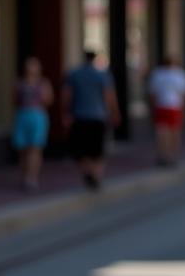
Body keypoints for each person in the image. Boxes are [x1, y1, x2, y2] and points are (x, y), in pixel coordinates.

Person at [61, 49, 120, 190]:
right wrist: (115, 112)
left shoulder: (74, 74)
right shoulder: (102, 75)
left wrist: (66, 113)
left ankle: (88, 172)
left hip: (80, 116)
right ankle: (96, 174)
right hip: (97, 116)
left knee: (83, 148)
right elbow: (109, 95)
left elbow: (66, 96)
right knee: (97, 149)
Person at [12, 56, 54, 191]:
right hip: (23, 116)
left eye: (34, 65)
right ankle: (25, 175)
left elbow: (49, 100)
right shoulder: (19, 83)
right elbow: (14, 100)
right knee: (23, 149)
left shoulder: (43, 83)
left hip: (37, 116)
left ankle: (32, 177)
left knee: (35, 148)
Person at [147, 54, 185, 166]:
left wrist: (152, 107)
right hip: (175, 106)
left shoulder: (157, 74)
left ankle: (163, 154)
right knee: (175, 132)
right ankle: (173, 155)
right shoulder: (179, 74)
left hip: (161, 106)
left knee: (161, 131)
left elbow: (152, 93)